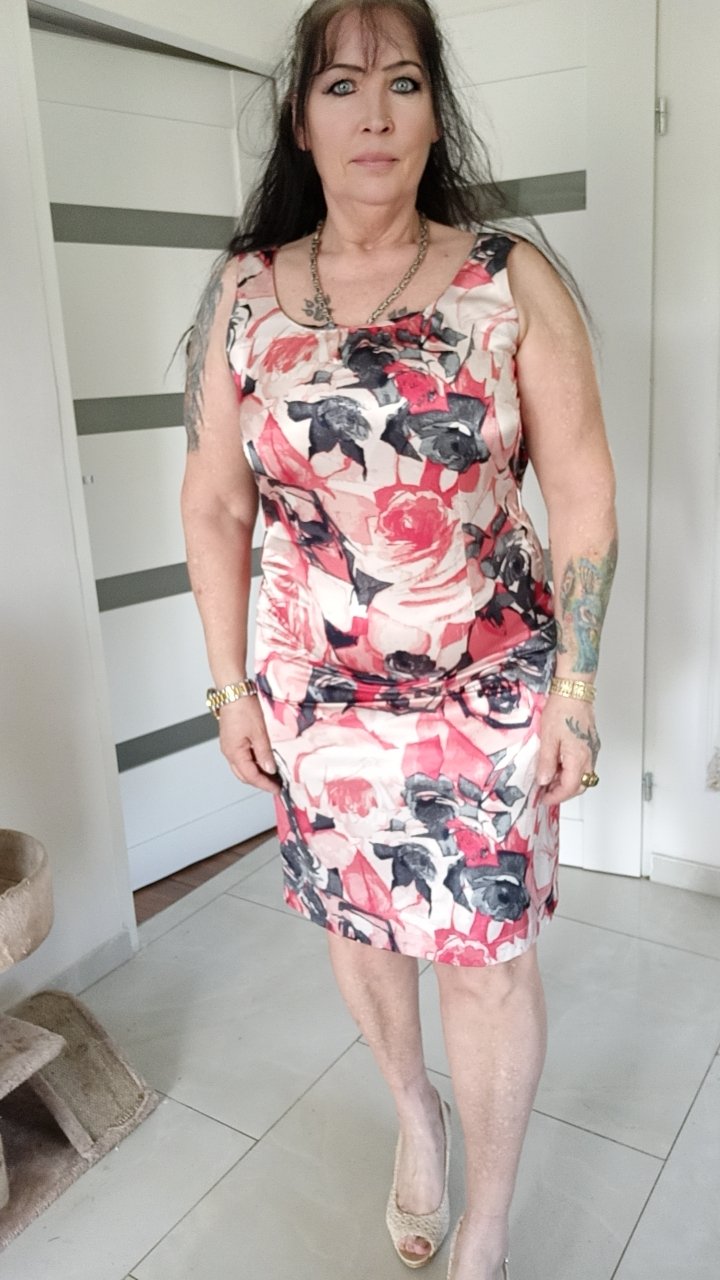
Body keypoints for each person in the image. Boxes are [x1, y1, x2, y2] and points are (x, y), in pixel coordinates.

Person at [180, 1, 618, 1276]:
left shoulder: (507, 278)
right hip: (317, 695)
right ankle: (415, 1115)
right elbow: (215, 503)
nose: (373, 113)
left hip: (490, 683)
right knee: (363, 925)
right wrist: (227, 686)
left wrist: (576, 688)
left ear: (435, 113)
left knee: (485, 960)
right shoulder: (245, 293)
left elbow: (583, 494)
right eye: (341, 86)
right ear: (301, 122)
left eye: (404, 82)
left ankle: (487, 1220)